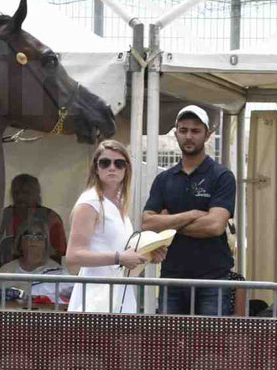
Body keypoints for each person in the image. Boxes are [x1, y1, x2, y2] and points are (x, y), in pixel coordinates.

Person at [141, 105, 236, 316]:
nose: (189, 136)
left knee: (210, 347)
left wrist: (168, 222)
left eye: (195, 130)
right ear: (175, 134)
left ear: (208, 134)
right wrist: (193, 215)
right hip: (171, 278)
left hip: (213, 280)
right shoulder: (164, 179)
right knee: (169, 347)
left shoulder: (222, 176)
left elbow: (214, 226)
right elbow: (147, 224)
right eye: (183, 130)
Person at [66, 140, 166, 313]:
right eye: (105, 163)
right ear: (96, 169)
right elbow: (73, 256)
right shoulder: (90, 202)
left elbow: (121, 257)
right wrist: (119, 257)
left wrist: (149, 256)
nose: (112, 168)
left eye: (119, 163)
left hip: (120, 295)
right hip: (94, 298)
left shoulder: (120, 204)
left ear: (126, 169)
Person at [0, 173, 67, 269]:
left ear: (37, 194)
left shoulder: (51, 218)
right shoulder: (3, 217)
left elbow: (57, 254)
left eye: (26, 193)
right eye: (16, 193)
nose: (20, 197)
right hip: (6, 274)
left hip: (44, 274)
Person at [0, 220, 72, 307]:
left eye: (39, 236)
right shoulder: (6, 270)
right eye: (27, 235)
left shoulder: (58, 272)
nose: (33, 240)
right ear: (20, 241)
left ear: (46, 243)